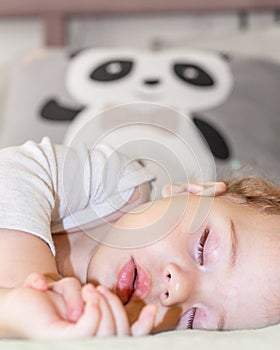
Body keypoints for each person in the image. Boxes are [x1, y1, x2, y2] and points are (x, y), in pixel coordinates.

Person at [0, 138, 280, 338]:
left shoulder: (94, 330)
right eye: (203, 247)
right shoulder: (119, 186)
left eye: (193, 320)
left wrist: (15, 310)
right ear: (195, 191)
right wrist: (37, 284)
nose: (179, 288)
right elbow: (16, 172)